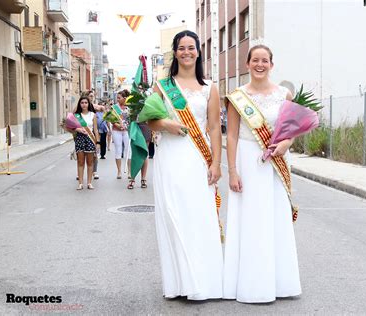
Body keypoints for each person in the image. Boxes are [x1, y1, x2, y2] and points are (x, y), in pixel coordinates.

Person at [147, 30, 223, 300]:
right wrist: (166, 123)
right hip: (170, 157)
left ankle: (204, 281)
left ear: (199, 52)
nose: (187, 52)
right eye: (181, 48)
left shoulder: (210, 87)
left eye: (191, 47)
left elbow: (214, 127)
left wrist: (216, 162)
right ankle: (180, 283)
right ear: (175, 52)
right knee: (174, 214)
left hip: (198, 159)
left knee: (199, 216)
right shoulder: (162, 86)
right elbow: (150, 120)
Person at [223, 44, 301, 303]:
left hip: (276, 162)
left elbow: (290, 131)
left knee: (275, 218)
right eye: (255, 60)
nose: (260, 64)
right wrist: (232, 171)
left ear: (271, 64)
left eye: (264, 60)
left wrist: (286, 144)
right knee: (251, 220)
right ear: (247, 64)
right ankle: (250, 283)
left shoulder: (284, 94)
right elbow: (231, 135)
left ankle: (280, 283)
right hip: (247, 161)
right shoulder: (237, 96)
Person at [69, 97, 100, 190]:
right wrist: (77, 129)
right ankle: (80, 183)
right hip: (79, 139)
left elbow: (95, 129)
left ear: (88, 104)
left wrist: (98, 142)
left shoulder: (93, 115)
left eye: (86, 102)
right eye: (82, 102)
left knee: (90, 162)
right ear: (79, 104)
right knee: (80, 162)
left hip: (90, 139)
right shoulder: (76, 115)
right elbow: (70, 127)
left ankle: (89, 183)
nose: (84, 104)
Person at [112, 90, 130, 179]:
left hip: (127, 131)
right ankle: (119, 171)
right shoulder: (114, 107)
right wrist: (118, 126)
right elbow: (111, 119)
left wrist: (126, 126)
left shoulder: (129, 107)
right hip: (116, 130)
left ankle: (129, 171)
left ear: (124, 98)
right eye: (117, 98)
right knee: (118, 150)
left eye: (119, 98)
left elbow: (132, 119)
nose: (118, 99)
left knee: (128, 150)